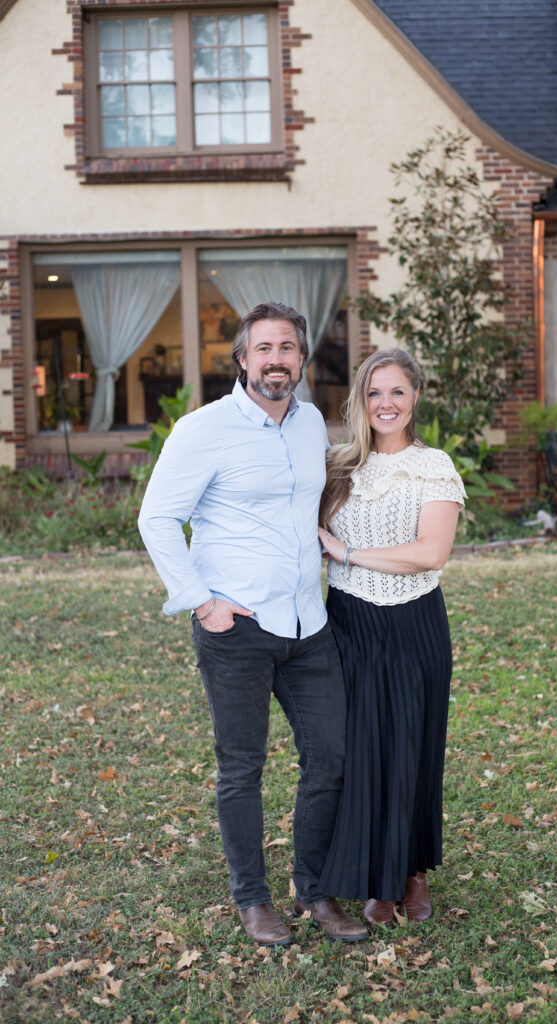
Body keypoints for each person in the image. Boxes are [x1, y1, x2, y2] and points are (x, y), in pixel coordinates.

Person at [138, 301, 368, 948]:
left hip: (308, 625)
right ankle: (253, 899)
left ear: (301, 358)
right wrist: (201, 602)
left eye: (287, 347)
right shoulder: (202, 429)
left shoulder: (310, 425)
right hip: (235, 627)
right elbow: (157, 518)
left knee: (329, 757)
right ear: (241, 360)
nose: (276, 359)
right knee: (242, 766)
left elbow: (318, 500)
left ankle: (315, 890)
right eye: (263, 348)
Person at [317, 348, 466, 926]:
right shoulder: (336, 467)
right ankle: (376, 877)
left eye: (397, 391)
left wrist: (348, 552)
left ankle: (413, 872)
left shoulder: (434, 466)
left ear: (415, 398)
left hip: (414, 622)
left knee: (414, 743)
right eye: (374, 392)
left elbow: (431, 553)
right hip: (350, 622)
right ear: (360, 400)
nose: (386, 403)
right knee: (363, 747)